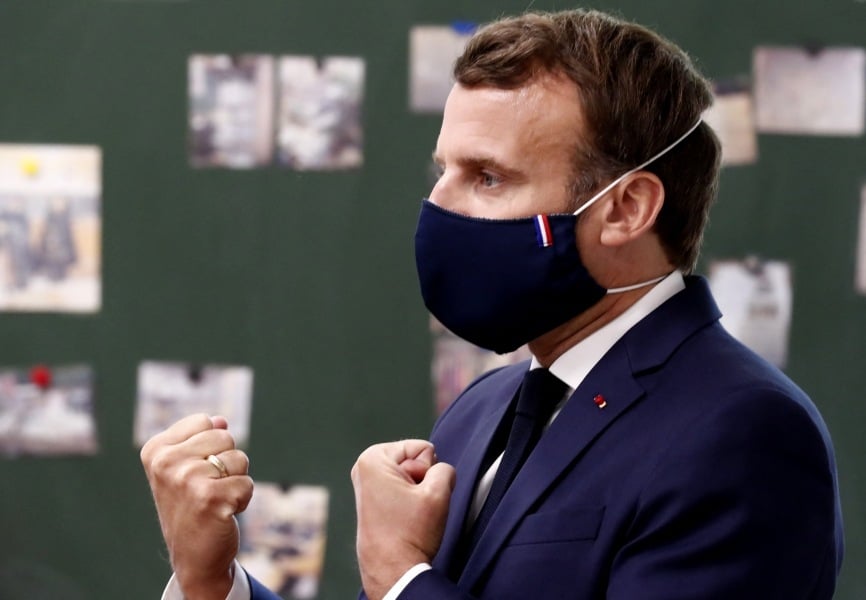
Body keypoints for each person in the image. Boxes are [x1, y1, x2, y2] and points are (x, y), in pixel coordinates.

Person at [140, 9, 844, 600]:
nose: (439, 206)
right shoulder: (487, 405)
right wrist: (211, 580)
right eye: (441, 171)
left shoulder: (743, 433)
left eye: (487, 178)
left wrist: (402, 578)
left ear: (626, 207)